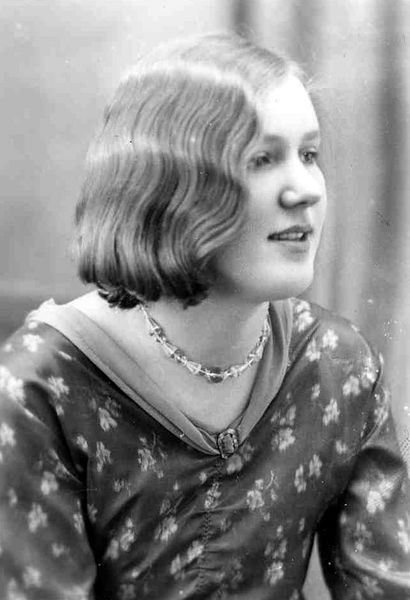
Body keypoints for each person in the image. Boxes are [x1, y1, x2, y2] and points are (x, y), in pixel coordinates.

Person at [0, 32, 409, 600]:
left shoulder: (335, 364)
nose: (305, 191)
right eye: (261, 159)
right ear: (169, 188)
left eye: (309, 155)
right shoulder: (38, 389)